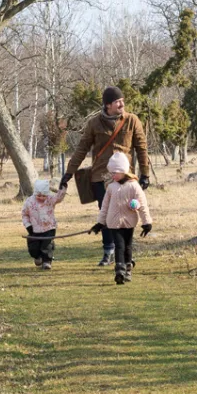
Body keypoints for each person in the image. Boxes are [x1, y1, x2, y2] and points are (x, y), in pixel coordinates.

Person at [61, 85, 151, 266]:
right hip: (101, 177)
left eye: (123, 101)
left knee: (126, 214)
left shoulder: (132, 120)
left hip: (125, 177)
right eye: (118, 101)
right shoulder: (94, 123)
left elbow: (142, 148)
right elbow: (82, 149)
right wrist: (69, 172)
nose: (122, 104)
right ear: (108, 104)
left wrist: (145, 174)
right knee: (108, 213)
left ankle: (125, 253)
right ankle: (108, 250)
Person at [88, 152, 152, 284]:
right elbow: (104, 207)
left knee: (127, 246)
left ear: (124, 171)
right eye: (111, 173)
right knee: (119, 246)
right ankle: (119, 271)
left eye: (115, 172)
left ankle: (128, 268)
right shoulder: (111, 187)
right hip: (113, 223)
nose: (113, 175)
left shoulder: (134, 186)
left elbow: (143, 205)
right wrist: (99, 223)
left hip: (129, 223)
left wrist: (147, 222)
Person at [21, 179, 66, 270]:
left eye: (44, 196)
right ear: (35, 193)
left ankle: (46, 262)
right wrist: (28, 226)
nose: (41, 198)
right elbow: (24, 215)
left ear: (47, 194)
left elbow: (59, 197)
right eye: (39, 195)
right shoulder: (29, 202)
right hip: (34, 229)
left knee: (47, 245)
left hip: (49, 227)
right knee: (34, 247)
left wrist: (63, 188)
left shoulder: (50, 199)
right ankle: (38, 257)